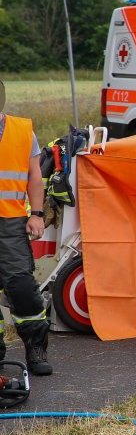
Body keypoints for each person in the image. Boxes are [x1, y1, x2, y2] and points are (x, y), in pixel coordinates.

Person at [0, 80, 52, 375]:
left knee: (21, 287)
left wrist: (37, 213)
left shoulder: (22, 130)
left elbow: (35, 176)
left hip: (11, 223)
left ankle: (35, 347)